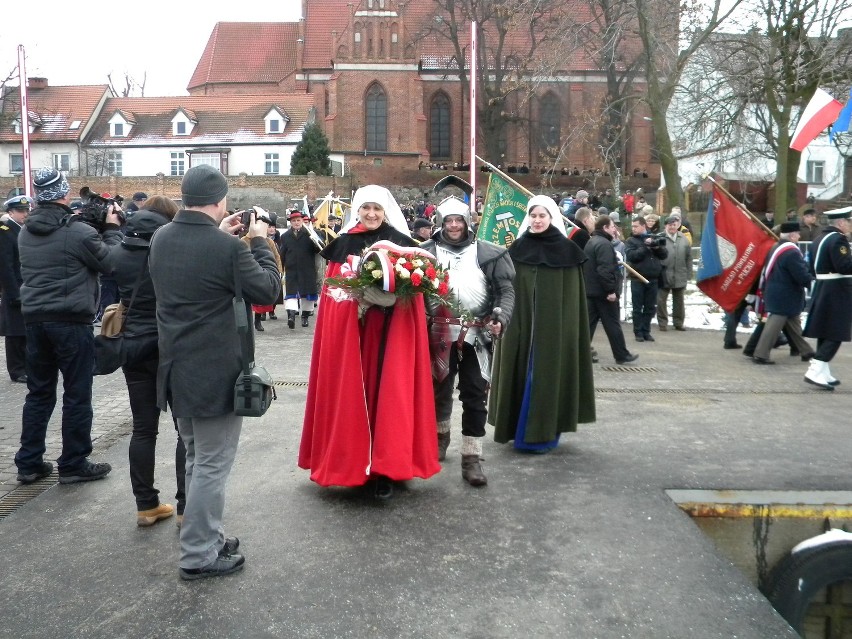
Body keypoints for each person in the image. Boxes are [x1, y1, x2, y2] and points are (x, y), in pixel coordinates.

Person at [149, 164, 281, 580]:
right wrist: (258, 243)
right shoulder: (229, 248)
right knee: (211, 464)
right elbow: (268, 291)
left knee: (196, 457)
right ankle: (198, 554)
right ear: (221, 199)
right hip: (214, 372)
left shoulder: (161, 237)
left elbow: (195, 265)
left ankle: (208, 534)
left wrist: (220, 233)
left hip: (176, 368)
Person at [299, 185, 440, 499]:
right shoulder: (343, 246)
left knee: (390, 397)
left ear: (385, 211)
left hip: (391, 336)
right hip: (356, 337)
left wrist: (395, 300)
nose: (372, 214)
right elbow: (334, 296)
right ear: (357, 210)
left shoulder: (403, 245)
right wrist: (359, 302)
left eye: (377, 209)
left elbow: (416, 296)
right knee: (353, 394)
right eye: (366, 208)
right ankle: (350, 465)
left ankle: (386, 468)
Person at [15, 168, 122, 484]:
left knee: (39, 393)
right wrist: (112, 229)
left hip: (34, 321)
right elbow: (110, 263)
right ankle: (73, 462)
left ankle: (29, 462)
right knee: (77, 392)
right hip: (71, 322)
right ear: (63, 194)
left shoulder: (25, 232)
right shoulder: (78, 233)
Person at [489, 195, 596, 453]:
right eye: (534, 216)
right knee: (520, 372)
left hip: (553, 332)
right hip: (520, 329)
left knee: (548, 375)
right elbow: (506, 289)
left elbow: (573, 304)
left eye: (542, 216)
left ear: (551, 218)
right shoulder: (516, 250)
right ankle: (518, 429)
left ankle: (545, 433)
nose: (537, 221)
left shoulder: (568, 253)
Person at [420, 196, 515, 486]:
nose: (453, 225)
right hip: (437, 331)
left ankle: (472, 458)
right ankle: (439, 438)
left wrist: (502, 319)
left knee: (475, 394)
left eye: (458, 220)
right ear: (440, 222)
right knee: (438, 391)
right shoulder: (424, 252)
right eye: (448, 220)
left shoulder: (489, 253)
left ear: (467, 221)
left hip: (479, 333)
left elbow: (505, 291)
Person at [110, 195, 187, 527]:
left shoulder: (120, 248)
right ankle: (186, 506)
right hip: (171, 345)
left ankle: (146, 505)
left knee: (143, 429)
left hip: (134, 345)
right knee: (186, 429)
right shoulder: (171, 246)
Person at [802, 207, 852, 390]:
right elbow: (844, 266)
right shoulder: (838, 239)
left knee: (827, 330)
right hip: (836, 290)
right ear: (840, 223)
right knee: (837, 331)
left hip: (824, 287)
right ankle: (816, 368)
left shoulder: (819, 238)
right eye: (848, 221)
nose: (850, 225)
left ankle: (823, 370)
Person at [751, 222, 814, 365]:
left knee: (793, 324)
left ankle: (806, 350)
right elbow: (800, 274)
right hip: (785, 294)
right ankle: (761, 353)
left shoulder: (776, 247)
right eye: (798, 234)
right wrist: (811, 281)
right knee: (773, 326)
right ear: (792, 235)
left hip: (777, 292)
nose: (799, 236)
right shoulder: (791, 252)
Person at [583, 214, 638, 365]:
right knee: (612, 324)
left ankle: (580, 353)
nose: (615, 230)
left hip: (592, 291)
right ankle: (621, 354)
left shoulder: (592, 242)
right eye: (613, 226)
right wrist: (610, 291)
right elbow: (605, 270)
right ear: (605, 228)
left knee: (588, 325)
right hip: (603, 294)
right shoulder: (604, 245)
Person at [0, 195, 31, 383]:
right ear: (10, 212)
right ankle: (17, 369)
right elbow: (5, 265)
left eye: (27, 210)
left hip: (25, 287)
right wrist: (12, 292)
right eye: (21, 211)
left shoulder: (21, 230)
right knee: (14, 332)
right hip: (14, 288)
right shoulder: (5, 231)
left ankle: (26, 366)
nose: (25, 214)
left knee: (24, 330)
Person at [625, 215, 667, 342]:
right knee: (637, 307)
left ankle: (646, 331)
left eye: (636, 226)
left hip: (653, 278)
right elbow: (632, 256)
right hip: (638, 278)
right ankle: (638, 332)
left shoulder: (653, 237)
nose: (634, 228)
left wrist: (656, 246)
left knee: (650, 307)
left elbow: (664, 255)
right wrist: (645, 246)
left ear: (644, 226)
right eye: (633, 226)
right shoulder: (631, 241)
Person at [279, 209, 321, 329]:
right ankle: (291, 316)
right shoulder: (285, 236)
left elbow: (319, 250)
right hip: (292, 269)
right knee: (291, 294)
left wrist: (315, 240)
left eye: (298, 220)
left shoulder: (309, 234)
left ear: (303, 221)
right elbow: (283, 253)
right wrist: (281, 268)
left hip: (307, 269)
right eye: (294, 221)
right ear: (290, 222)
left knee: (307, 295)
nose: (296, 223)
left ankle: (305, 317)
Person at [657, 214, 693, 331]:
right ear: (665, 226)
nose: (672, 227)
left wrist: (688, 273)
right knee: (661, 300)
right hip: (663, 275)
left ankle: (678, 323)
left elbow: (689, 258)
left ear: (677, 225)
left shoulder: (684, 239)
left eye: (674, 225)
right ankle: (663, 323)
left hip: (680, 274)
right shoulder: (660, 238)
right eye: (669, 225)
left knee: (679, 301)